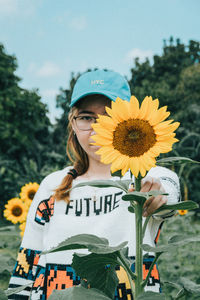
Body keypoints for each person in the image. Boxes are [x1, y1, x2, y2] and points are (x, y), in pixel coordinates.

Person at [8, 70, 180, 300]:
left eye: (109, 117)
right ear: (73, 123)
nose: (98, 128)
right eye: (87, 117)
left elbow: (167, 187)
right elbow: (27, 262)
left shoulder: (140, 179)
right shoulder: (53, 185)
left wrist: (158, 195)